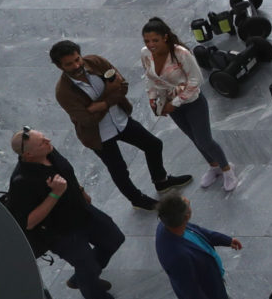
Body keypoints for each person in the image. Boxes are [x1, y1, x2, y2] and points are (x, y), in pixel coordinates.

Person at [51, 39, 190, 212]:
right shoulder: (63, 92)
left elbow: (122, 86)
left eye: (77, 59)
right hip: (99, 135)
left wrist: (100, 104)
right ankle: (136, 199)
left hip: (120, 120)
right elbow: (87, 120)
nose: (77, 65)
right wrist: (110, 93)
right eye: (69, 64)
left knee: (153, 144)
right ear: (60, 66)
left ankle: (161, 182)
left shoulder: (95, 62)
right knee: (119, 170)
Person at [9, 129, 133, 299]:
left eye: (44, 137)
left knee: (114, 238)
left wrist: (80, 191)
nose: (48, 140)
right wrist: (55, 194)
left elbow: (66, 172)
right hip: (62, 232)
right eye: (41, 142)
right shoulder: (22, 181)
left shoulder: (50, 151)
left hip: (82, 211)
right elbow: (28, 222)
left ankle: (82, 278)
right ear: (28, 155)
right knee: (88, 267)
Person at [155, 192, 265, 299]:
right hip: (210, 289)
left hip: (207, 283)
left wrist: (226, 240)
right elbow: (191, 290)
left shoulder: (168, 224)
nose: (188, 201)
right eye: (187, 205)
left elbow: (200, 232)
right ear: (186, 216)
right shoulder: (177, 256)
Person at [141, 18, 237, 193]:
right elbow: (150, 78)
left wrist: (176, 102)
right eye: (147, 41)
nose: (150, 44)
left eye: (155, 40)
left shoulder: (181, 53)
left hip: (192, 102)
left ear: (165, 37)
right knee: (194, 139)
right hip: (171, 105)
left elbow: (196, 80)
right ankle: (213, 166)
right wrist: (153, 99)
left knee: (205, 140)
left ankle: (227, 169)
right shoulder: (146, 54)